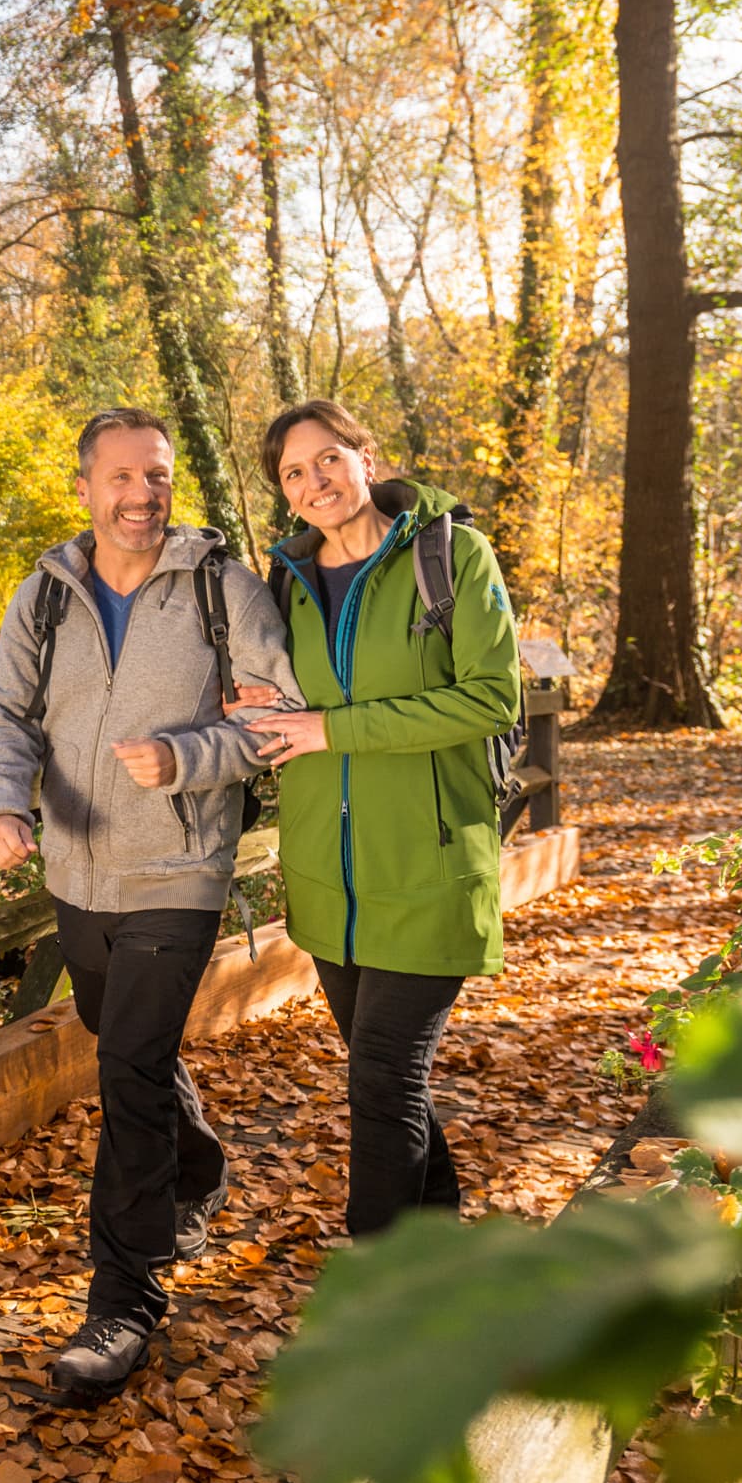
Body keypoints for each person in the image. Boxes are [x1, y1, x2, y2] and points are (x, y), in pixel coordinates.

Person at [0, 407, 298, 1399]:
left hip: (181, 869)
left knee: (128, 1066)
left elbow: (278, 719)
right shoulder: (46, 595)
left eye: (154, 477)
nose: (139, 496)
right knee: (119, 1037)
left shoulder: (221, 589)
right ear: (85, 488)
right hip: (76, 870)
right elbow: (4, 710)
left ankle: (122, 1300)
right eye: (119, 478)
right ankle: (194, 1167)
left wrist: (189, 758)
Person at [242, 400, 521, 1238]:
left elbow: (491, 696)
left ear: (368, 458)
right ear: (286, 494)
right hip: (329, 877)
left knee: (385, 1078)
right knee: (381, 1076)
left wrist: (333, 728)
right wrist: (264, 708)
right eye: (295, 472)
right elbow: (294, 701)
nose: (316, 480)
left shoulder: (452, 555)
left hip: (429, 866)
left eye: (329, 458)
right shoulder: (284, 583)